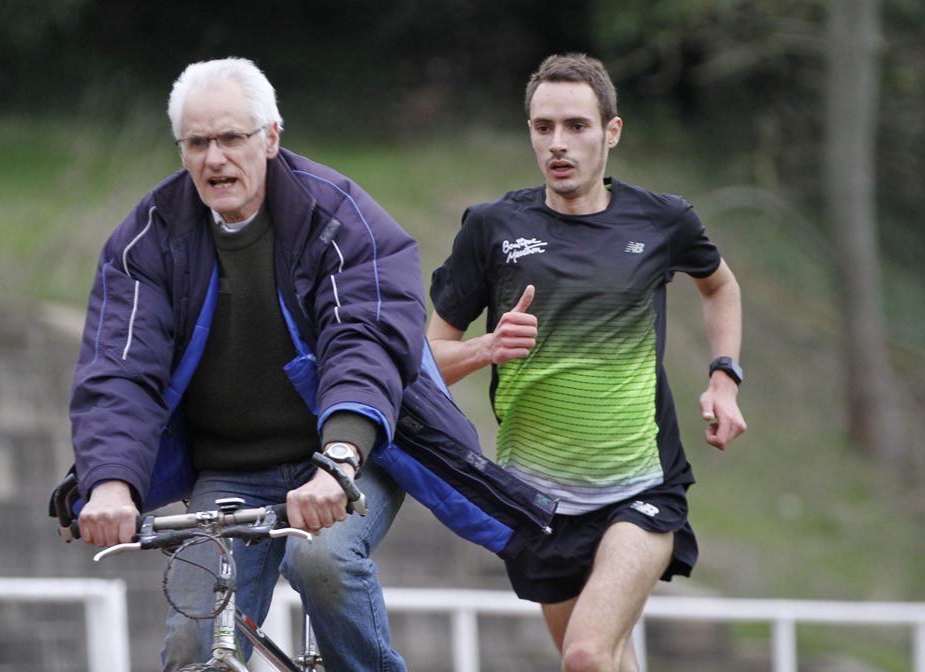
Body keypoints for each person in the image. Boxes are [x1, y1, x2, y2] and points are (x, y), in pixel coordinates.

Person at [69, 57, 422, 671]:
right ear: (181, 151)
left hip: (346, 453)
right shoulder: (148, 239)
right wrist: (109, 483)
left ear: (271, 138)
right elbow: (119, 369)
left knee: (322, 560)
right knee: (190, 644)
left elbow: (363, 339)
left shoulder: (336, 215)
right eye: (197, 142)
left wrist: (337, 460)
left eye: (231, 137)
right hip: (231, 470)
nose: (215, 158)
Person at [426, 53, 747, 672]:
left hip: (641, 486)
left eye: (576, 126)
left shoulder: (662, 222)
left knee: (585, 655)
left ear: (612, 131)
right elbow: (423, 363)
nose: (558, 144)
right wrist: (485, 348)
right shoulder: (492, 229)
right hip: (535, 501)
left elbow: (720, 287)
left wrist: (724, 376)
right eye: (543, 127)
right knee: (608, 662)